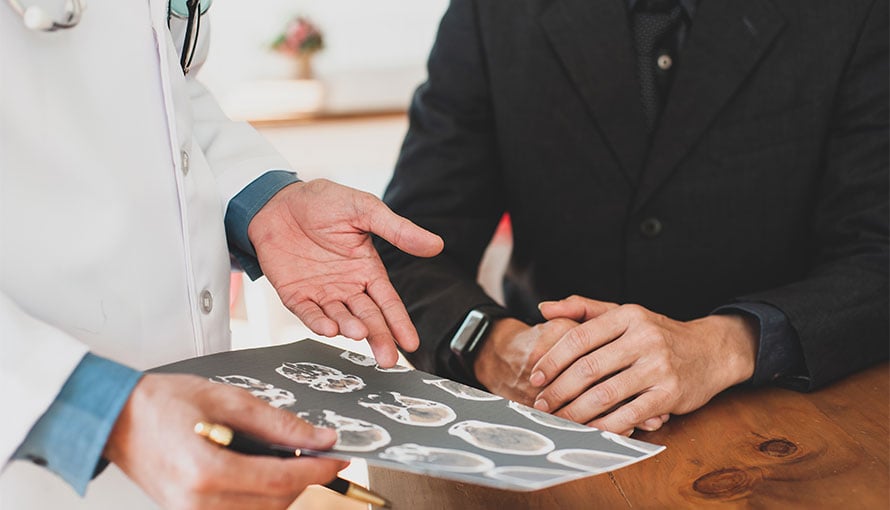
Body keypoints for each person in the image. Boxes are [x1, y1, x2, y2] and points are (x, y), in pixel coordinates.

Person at [0, 1, 443, 508]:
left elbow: (160, 86)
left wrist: (262, 201)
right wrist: (97, 411)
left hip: (194, 431)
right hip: (32, 448)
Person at [376, 0, 889, 437]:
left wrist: (726, 345)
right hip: (548, 415)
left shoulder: (858, 13)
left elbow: (879, 254)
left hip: (797, 422)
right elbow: (408, 245)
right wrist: (495, 345)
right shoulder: (493, 12)